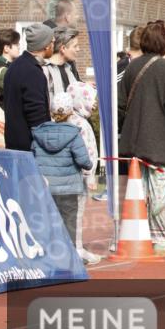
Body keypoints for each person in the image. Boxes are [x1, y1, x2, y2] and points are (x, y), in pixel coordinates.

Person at [119, 19, 165, 255]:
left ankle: (140, 234)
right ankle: (159, 237)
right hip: (161, 141)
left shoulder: (132, 67)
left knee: (139, 192)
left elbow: (121, 104)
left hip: (134, 139)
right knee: (160, 191)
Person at [31, 96, 93, 246]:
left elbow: (32, 159)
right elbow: (84, 162)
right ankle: (69, 255)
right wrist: (89, 164)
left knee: (47, 221)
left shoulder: (38, 136)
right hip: (69, 188)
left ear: (51, 112)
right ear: (70, 112)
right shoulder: (74, 135)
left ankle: (47, 255)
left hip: (45, 188)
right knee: (69, 222)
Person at [62, 82, 102, 264]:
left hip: (68, 177)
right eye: (90, 99)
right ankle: (75, 248)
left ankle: (71, 247)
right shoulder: (80, 125)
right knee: (76, 214)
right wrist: (89, 174)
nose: (93, 104)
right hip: (79, 177)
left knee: (70, 214)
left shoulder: (69, 121)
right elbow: (85, 152)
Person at [3, 23, 53, 151]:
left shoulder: (15, 66)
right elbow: (37, 117)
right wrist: (48, 144)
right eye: (52, 41)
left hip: (14, 143)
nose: (54, 45)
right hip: (29, 148)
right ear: (46, 45)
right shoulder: (32, 71)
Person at [45, 26, 82, 98]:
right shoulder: (44, 70)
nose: (78, 49)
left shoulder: (70, 68)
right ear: (63, 48)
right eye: (75, 46)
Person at [0, 28, 20, 108]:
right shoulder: (4, 71)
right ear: (6, 48)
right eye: (16, 44)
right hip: (2, 118)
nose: (19, 47)